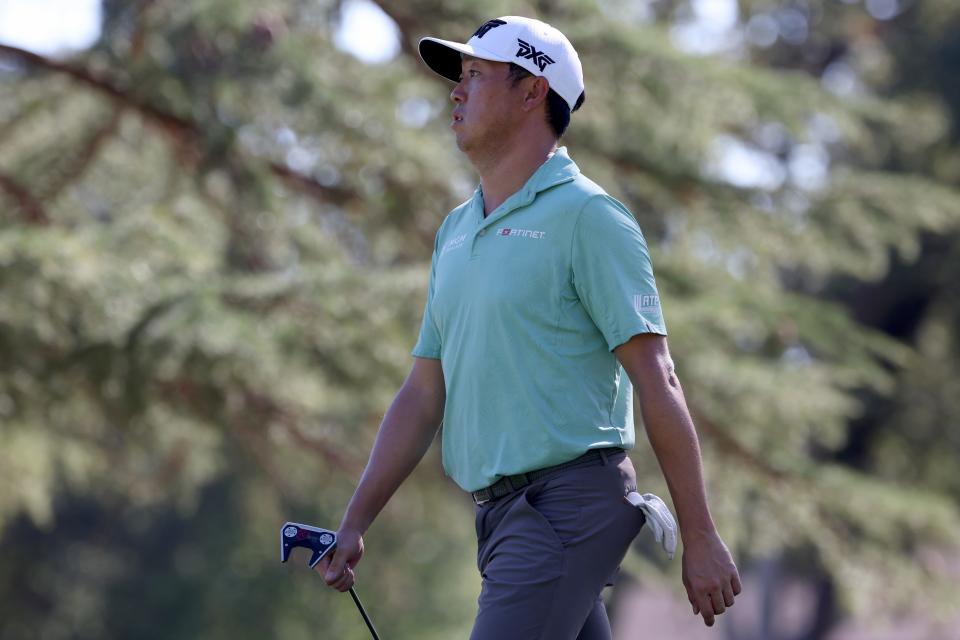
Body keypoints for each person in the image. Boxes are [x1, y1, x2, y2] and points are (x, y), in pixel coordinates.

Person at [317, 15, 741, 639]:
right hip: (501, 519)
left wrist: (700, 535)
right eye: (458, 79)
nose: (456, 93)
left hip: (565, 509)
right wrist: (356, 521)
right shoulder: (455, 230)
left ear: (531, 92)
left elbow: (659, 379)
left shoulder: (589, 217)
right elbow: (422, 391)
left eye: (476, 76)